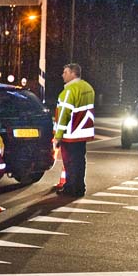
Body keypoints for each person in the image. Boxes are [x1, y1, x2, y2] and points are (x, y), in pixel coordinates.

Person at [53, 63, 95, 197]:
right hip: (84, 132)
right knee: (80, 161)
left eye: (65, 72)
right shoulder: (88, 88)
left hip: (70, 134)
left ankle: (71, 188)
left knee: (70, 162)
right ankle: (79, 187)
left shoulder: (69, 91)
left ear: (73, 73)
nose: (62, 75)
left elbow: (63, 114)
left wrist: (58, 136)